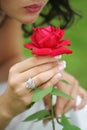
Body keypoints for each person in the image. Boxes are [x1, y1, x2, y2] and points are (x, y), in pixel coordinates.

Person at [0, 0, 87, 130]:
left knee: (70, 102)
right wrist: (5, 108)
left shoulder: (6, 11)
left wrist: (45, 75)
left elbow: (6, 61)